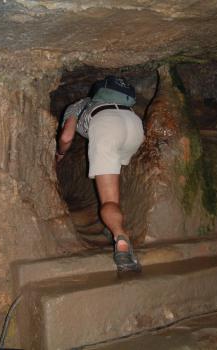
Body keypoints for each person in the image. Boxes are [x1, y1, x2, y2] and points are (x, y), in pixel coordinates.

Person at [55, 76, 144, 272]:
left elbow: (67, 136)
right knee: (113, 178)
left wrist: (60, 153)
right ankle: (111, 225)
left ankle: (121, 239)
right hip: (134, 125)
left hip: (107, 127)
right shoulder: (120, 103)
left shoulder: (78, 105)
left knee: (108, 201)